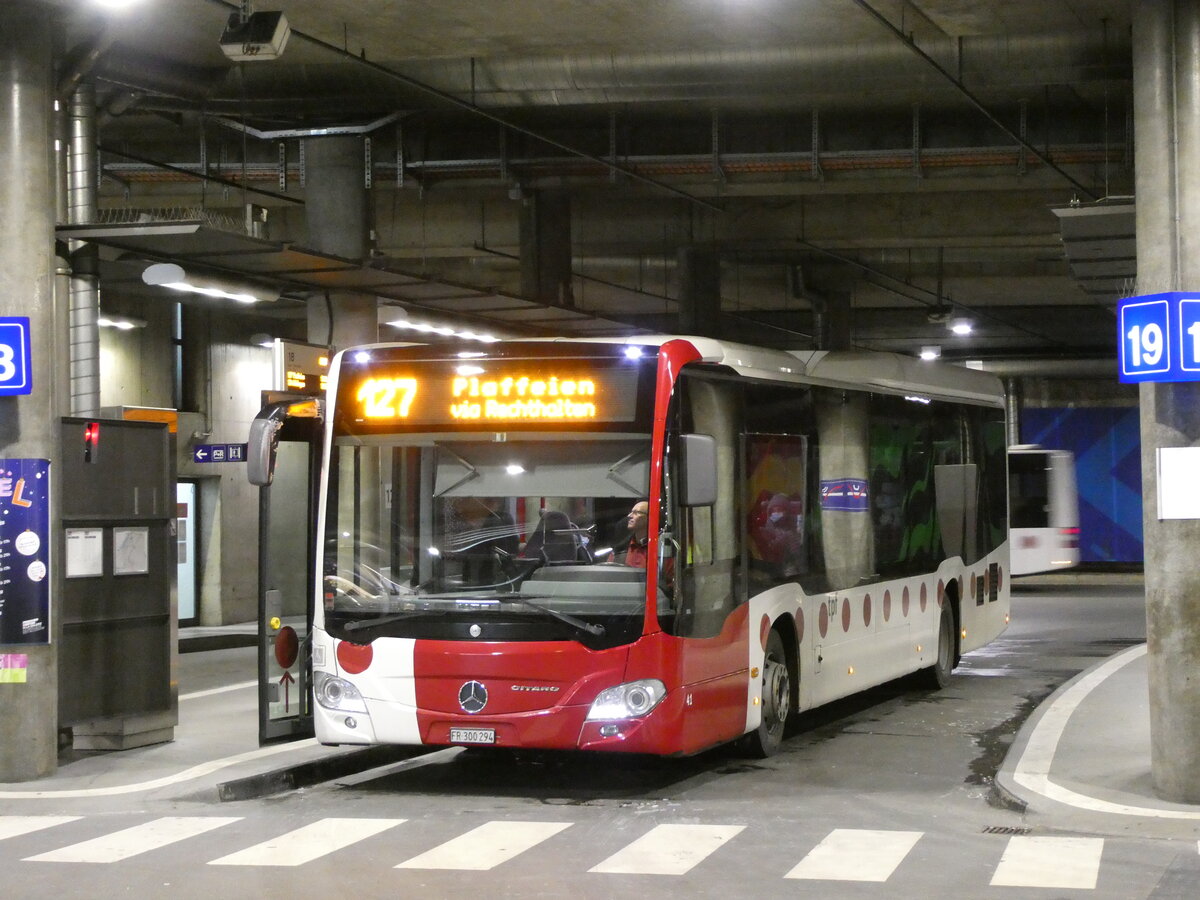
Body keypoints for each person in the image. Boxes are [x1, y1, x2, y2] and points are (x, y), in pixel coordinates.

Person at [618, 500, 650, 567]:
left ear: (649, 517)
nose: (629, 515)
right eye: (631, 512)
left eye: (636, 512)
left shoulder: (661, 550)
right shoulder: (622, 548)